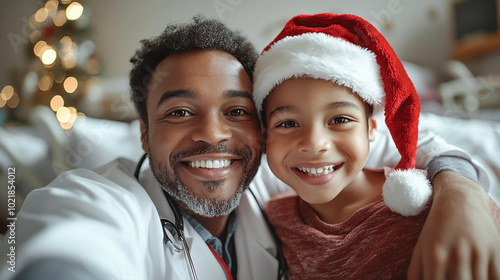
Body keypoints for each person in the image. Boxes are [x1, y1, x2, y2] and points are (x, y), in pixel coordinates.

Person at [0, 15, 498, 280]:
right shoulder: (105, 200)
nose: (214, 135)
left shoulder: (276, 169)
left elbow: (416, 141)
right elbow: (70, 244)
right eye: (178, 112)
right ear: (144, 134)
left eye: (236, 112)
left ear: (259, 129)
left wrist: (462, 194)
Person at [253, 13, 500, 279]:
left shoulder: (435, 205)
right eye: (288, 123)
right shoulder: (275, 218)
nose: (314, 144)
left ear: (372, 129)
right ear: (266, 137)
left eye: (339, 119)